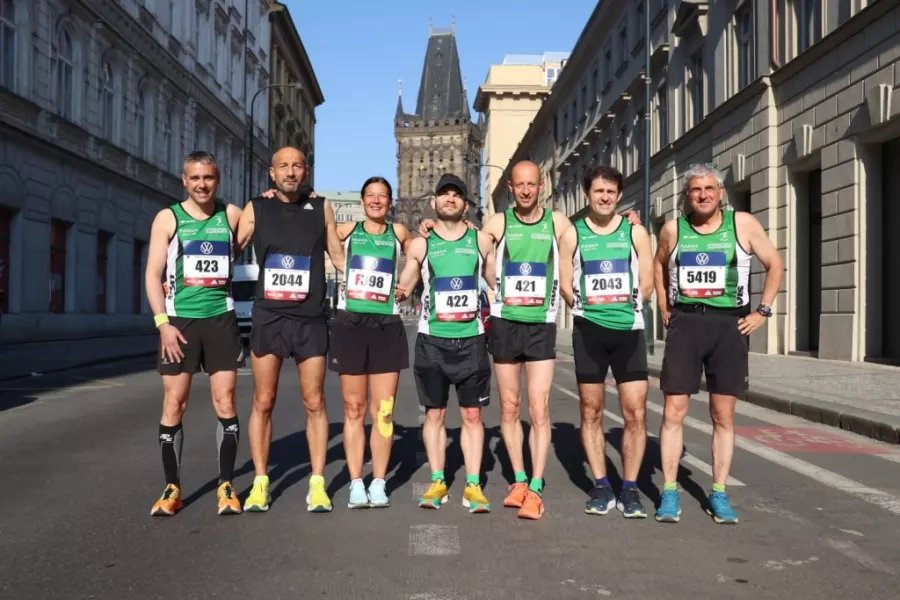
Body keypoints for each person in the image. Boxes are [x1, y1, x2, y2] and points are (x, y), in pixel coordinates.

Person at [654, 164, 783, 524]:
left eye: (710, 189)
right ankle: (668, 491)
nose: (703, 195)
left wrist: (763, 311)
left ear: (721, 193)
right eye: (696, 190)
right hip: (687, 323)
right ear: (687, 196)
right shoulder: (672, 229)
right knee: (673, 412)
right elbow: (659, 264)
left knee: (722, 415)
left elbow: (775, 264)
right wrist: (665, 308)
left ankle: (720, 493)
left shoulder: (742, 224)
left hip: (730, 326)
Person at [235, 147, 345, 513]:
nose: (291, 172)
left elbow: (338, 256)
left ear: (306, 171)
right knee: (263, 402)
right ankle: (261, 483)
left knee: (314, 401)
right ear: (272, 173)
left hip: (309, 318)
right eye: (283, 166)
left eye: (297, 166)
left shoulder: (321, 207)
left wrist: (378, 277)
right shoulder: (257, 207)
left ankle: (317, 484)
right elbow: (230, 248)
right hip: (270, 317)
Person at [145, 151, 244, 517]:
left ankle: (226, 486)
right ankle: (172, 488)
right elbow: (153, 274)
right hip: (180, 323)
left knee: (226, 402)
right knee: (175, 403)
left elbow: (268, 222)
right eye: (195, 178)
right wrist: (162, 324)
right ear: (184, 181)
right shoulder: (168, 218)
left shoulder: (230, 215)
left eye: (209, 178)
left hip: (221, 320)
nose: (203, 185)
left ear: (218, 180)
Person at [395, 174, 496, 513]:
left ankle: (472, 485)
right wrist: (400, 287)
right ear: (433, 203)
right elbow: (406, 281)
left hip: (472, 341)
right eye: (444, 195)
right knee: (434, 415)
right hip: (433, 341)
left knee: (471, 415)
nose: (450, 199)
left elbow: (496, 281)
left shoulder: (481, 240)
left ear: (465, 204)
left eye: (457, 195)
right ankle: (438, 480)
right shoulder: (422, 244)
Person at [558, 166, 653, 519]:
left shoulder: (635, 231)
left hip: (629, 331)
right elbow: (566, 284)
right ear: (588, 194)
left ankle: (629, 488)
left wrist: (632, 302)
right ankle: (601, 484)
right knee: (590, 411)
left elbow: (647, 282)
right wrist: (584, 308)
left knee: (635, 413)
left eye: (611, 192)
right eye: (599, 191)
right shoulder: (574, 234)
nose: (605, 197)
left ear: (619, 195)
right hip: (590, 332)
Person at [330, 177, 413, 508]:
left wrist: (406, 282)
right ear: (362, 201)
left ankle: (378, 481)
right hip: (350, 324)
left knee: (384, 411)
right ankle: (355, 482)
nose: (377, 201)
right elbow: (313, 229)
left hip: (386, 326)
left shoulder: (399, 234)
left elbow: (421, 254)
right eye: (371, 196)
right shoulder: (346, 231)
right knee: (353, 408)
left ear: (390, 202)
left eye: (383, 196)